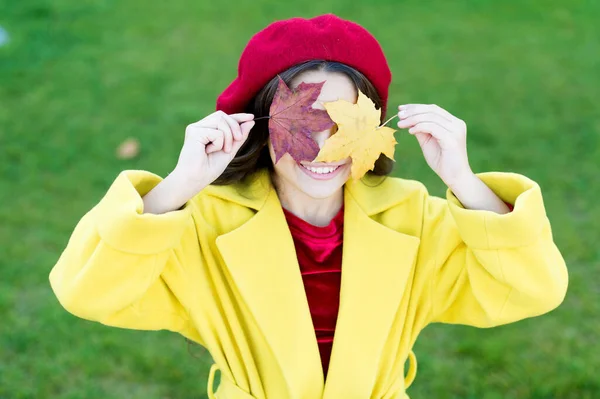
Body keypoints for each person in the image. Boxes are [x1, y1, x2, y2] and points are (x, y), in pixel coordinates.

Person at [49, 14, 568, 399]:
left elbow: (533, 289)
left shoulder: (414, 219)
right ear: (255, 123)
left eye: (345, 122)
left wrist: (465, 182)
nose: (322, 149)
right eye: (300, 123)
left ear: (375, 125)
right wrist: (178, 186)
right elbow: (85, 291)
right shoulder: (200, 223)